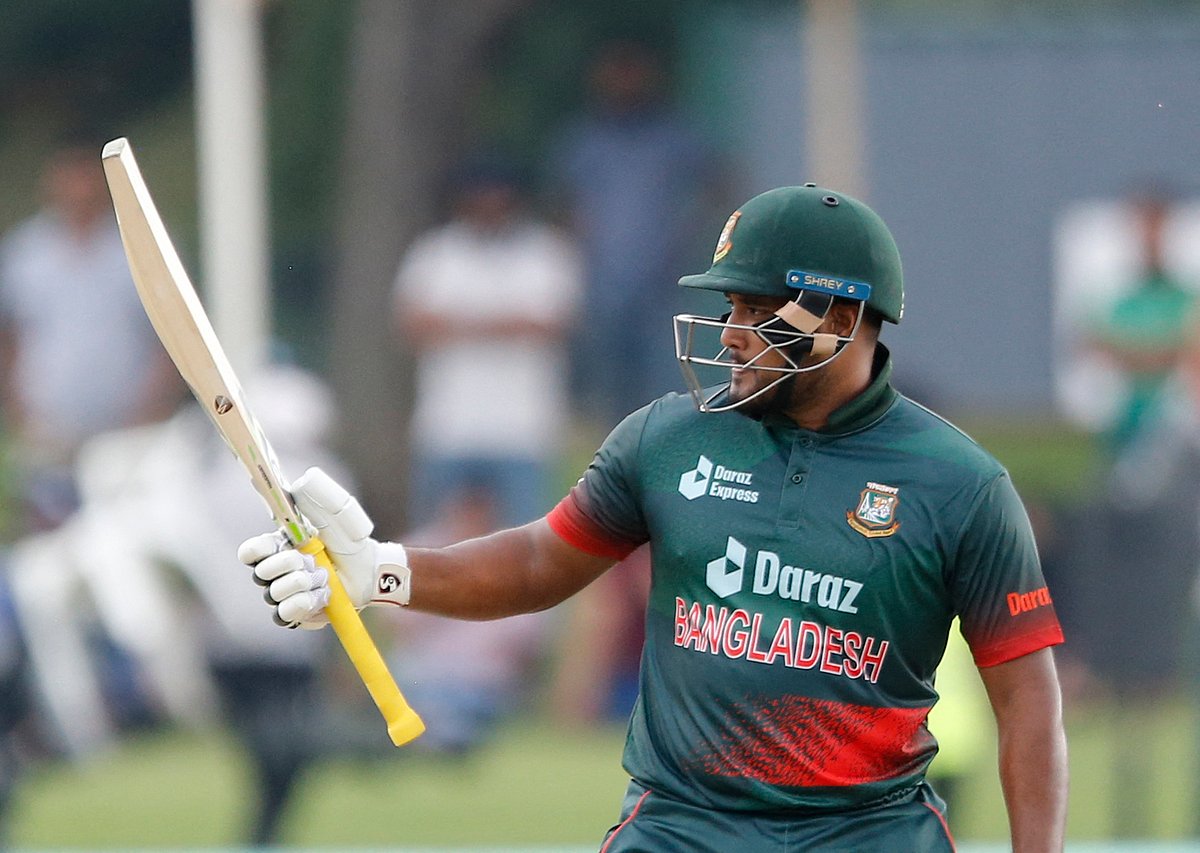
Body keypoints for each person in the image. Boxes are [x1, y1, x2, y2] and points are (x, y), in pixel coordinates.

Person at [239, 185, 1068, 851]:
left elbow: (1028, 700)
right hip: (682, 826)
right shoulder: (666, 438)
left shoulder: (960, 483)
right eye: (728, 307)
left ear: (842, 320)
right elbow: (540, 561)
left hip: (871, 829)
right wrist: (381, 569)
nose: (732, 333)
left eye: (755, 308)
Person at [393, 153, 583, 530]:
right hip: (448, 425)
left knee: (529, 545)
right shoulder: (435, 252)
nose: (488, 204)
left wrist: (459, 323)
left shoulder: (545, 252)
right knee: (436, 542)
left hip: (523, 428)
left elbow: (553, 324)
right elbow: (412, 324)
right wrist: (506, 321)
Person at [0, 138, 177, 534]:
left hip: (126, 432)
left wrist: (149, 410)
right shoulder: (26, 254)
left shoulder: (135, 247)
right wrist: (18, 407)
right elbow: (11, 334)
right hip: (49, 433)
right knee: (50, 539)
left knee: (125, 536)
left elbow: (167, 336)